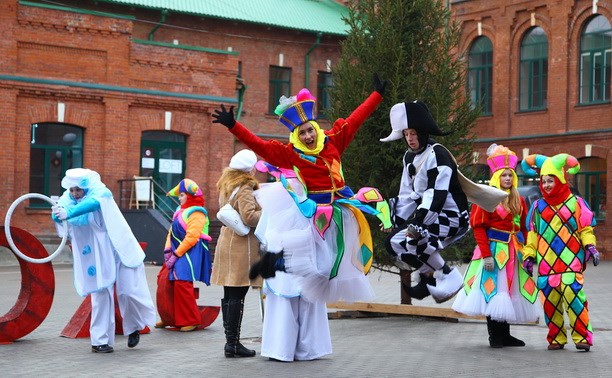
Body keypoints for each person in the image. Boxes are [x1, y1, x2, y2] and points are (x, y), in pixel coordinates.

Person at [212, 73, 390, 305]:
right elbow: (260, 145)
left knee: (332, 261)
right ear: (296, 135)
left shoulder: (334, 140)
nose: (307, 136)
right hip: (312, 211)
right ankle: (274, 262)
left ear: (315, 127)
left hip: (339, 207)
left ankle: (276, 262)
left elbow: (356, 118)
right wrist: (234, 126)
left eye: (309, 130)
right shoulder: (290, 153)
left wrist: (376, 96)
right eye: (302, 133)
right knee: (315, 260)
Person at [51, 168, 156, 353]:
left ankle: (134, 328)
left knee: (128, 291)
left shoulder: (101, 193)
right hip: (98, 255)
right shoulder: (67, 201)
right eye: (72, 190)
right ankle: (100, 341)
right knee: (100, 296)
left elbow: (93, 204)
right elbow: (62, 219)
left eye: (78, 190)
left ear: (86, 187)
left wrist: (68, 212)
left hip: (119, 250)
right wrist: (57, 215)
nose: (75, 194)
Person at [380, 101, 469, 303]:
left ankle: (448, 275)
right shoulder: (409, 158)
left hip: (452, 216)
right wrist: (393, 220)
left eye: (413, 133)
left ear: (422, 132)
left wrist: (419, 222)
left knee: (413, 239)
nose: (410, 139)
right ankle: (428, 276)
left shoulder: (438, 154)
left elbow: (436, 193)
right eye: (406, 134)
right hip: (429, 215)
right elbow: (407, 194)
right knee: (393, 243)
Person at [452, 144, 538, 348]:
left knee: (507, 292)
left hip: (514, 253)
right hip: (493, 252)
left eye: (510, 175)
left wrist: (528, 252)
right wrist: (486, 255)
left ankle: (505, 335)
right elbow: (478, 227)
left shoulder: (519, 199)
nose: (507, 178)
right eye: (503, 175)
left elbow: (526, 228)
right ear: (496, 177)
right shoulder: (486, 197)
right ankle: (495, 336)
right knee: (494, 291)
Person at [521, 153, 600, 352]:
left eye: (551, 180)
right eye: (544, 181)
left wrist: (590, 246)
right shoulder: (538, 207)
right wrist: (528, 255)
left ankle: (582, 337)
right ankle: (556, 338)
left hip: (570, 261)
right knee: (550, 303)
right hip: (547, 265)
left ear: (561, 180)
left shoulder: (576, 203)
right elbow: (533, 234)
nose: (547, 185)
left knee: (574, 299)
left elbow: (586, 229)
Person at [254, 162, 332, 362]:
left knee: (293, 303)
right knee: (298, 303)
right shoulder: (290, 195)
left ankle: (282, 349)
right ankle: (302, 350)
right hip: (292, 256)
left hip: (296, 256)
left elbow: (263, 232)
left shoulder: (298, 194)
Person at [211, 149, 262, 358]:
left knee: (229, 294)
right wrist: (268, 211)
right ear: (250, 169)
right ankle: (233, 344)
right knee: (237, 295)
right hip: (240, 246)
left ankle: (230, 342)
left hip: (226, 242)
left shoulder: (226, 184)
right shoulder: (245, 187)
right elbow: (250, 217)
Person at [155, 178, 213, 332]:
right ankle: (169, 317)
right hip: (177, 250)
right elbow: (171, 232)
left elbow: (192, 237)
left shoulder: (197, 212)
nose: (179, 198)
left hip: (191, 251)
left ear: (190, 195)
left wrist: (176, 254)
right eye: (179, 195)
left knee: (182, 281)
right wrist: (168, 250)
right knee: (163, 278)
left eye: (182, 195)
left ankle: (190, 319)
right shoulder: (179, 212)